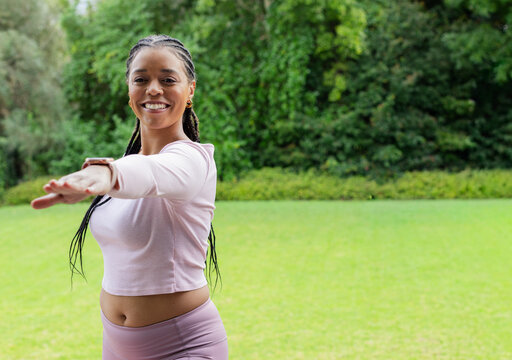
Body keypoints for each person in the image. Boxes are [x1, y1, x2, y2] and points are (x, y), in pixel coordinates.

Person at [31, 34, 228, 360]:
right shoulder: (125, 167)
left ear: (190, 90)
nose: (153, 89)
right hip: (118, 345)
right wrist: (101, 180)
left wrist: (103, 173)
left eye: (167, 79)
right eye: (141, 79)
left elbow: (150, 174)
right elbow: (136, 172)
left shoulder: (193, 160)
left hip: (183, 346)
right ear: (129, 91)